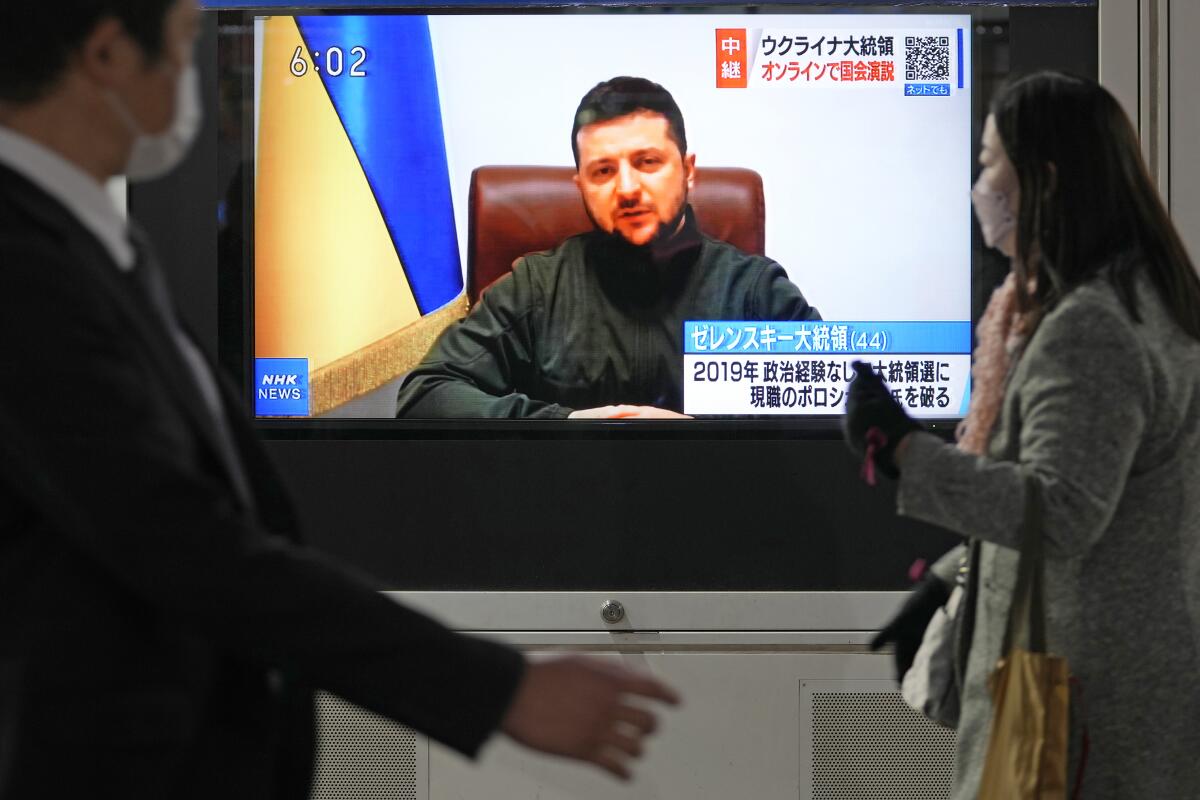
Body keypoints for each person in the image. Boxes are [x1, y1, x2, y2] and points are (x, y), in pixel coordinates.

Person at [0, 3, 680, 796]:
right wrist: (500, 689)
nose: (208, 74)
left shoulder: (84, 242)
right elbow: (174, 536)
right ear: (110, 54)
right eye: (189, 42)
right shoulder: (22, 264)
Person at [845, 71, 1200, 798]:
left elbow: (1064, 508)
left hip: (1073, 695)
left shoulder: (1091, 329)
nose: (978, 182)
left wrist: (908, 452)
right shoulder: (1135, 298)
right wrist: (952, 583)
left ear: (1040, 178)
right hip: (1113, 676)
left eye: (986, 161)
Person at [395, 76, 820, 420]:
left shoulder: (753, 291)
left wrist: (699, 437)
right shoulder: (538, 287)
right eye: (603, 171)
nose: (628, 189)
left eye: (648, 162)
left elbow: (837, 405)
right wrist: (563, 425)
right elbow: (426, 396)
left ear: (688, 171)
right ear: (580, 185)